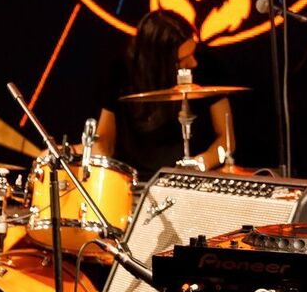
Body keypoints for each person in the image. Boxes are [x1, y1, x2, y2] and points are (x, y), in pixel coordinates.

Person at [95, 10, 235, 176]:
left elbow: (226, 140)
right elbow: (104, 141)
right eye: (182, 60)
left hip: (194, 178)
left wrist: (201, 164)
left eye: (193, 52)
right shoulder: (122, 72)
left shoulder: (207, 66)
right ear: (158, 60)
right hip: (136, 180)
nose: (193, 63)